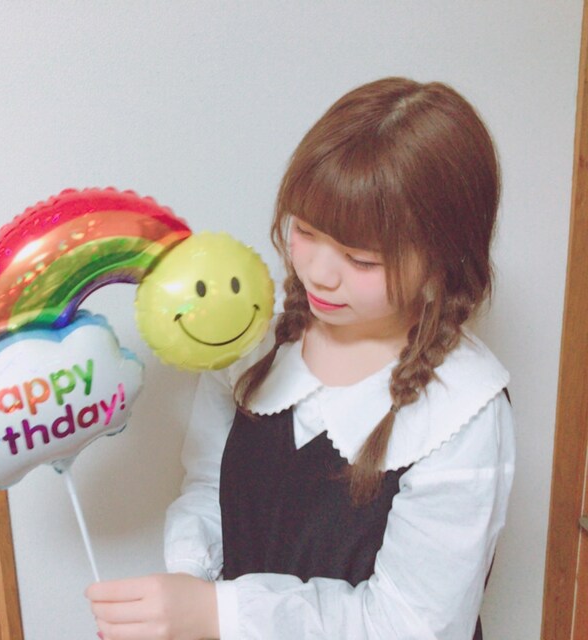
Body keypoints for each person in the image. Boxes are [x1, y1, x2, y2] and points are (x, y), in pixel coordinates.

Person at [86, 77, 515, 640]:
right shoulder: (253, 343)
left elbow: (409, 625)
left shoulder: (463, 410)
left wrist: (220, 613)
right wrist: (187, 586)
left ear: (441, 262)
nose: (317, 272)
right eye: (306, 231)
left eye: (361, 260)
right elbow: (209, 487)